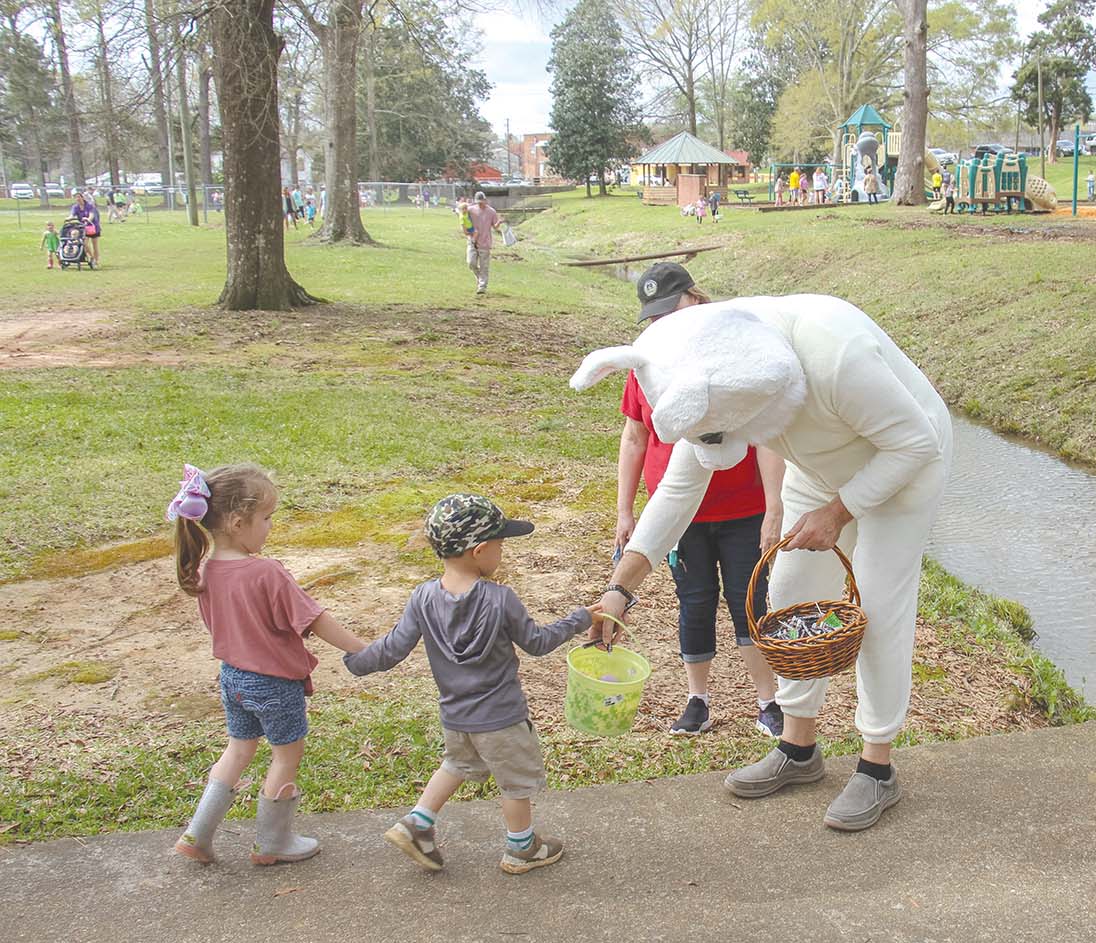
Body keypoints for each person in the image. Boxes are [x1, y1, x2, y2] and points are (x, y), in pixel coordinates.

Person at [574, 293, 953, 833]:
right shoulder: (709, 366)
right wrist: (619, 590)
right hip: (818, 468)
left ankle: (877, 766)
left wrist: (840, 511)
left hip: (906, 462)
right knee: (790, 596)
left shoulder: (834, 352)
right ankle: (799, 749)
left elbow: (914, 442)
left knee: (877, 606)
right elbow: (679, 491)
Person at [345, 494, 603, 873]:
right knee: (515, 785)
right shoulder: (500, 599)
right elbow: (538, 643)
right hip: (501, 718)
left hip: (455, 716)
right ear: (479, 550)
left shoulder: (422, 598)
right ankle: (522, 848)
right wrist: (580, 618)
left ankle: (417, 823)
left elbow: (391, 649)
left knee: (456, 764)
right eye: (500, 545)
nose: (502, 552)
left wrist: (357, 662)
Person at [616, 263, 787, 738]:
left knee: (749, 601)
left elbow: (769, 434)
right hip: (678, 516)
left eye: (670, 310)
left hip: (743, 509)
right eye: (653, 316)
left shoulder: (733, 354)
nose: (662, 323)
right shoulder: (647, 363)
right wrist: (626, 512)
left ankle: (768, 702)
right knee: (693, 602)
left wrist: (774, 507)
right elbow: (634, 437)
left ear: (694, 299)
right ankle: (698, 701)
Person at [169, 463, 367, 866]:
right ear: (238, 522)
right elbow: (314, 619)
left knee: (238, 750)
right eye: (267, 518)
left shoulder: (208, 571)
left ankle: (197, 834)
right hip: (275, 685)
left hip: (232, 680)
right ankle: (273, 842)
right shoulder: (265, 571)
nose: (270, 526)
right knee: (285, 757)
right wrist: (361, 648)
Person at [465, 190, 501, 295]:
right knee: (471, 263)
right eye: (478, 202)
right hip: (472, 241)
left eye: (482, 201)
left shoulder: (491, 212)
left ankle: (482, 286)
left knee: (484, 266)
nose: (480, 204)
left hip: (485, 242)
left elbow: (495, 226)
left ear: (485, 200)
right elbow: (463, 217)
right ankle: (479, 277)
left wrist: (500, 221)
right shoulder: (471, 210)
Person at [69, 191, 101, 266]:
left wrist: (88, 219)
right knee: (84, 243)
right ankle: (91, 257)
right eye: (76, 197)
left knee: (95, 245)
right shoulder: (75, 207)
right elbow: (72, 215)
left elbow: (92, 214)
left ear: (82, 197)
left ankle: (96, 261)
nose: (77, 199)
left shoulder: (89, 206)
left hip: (93, 227)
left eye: (79, 197)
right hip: (83, 228)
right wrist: (69, 218)